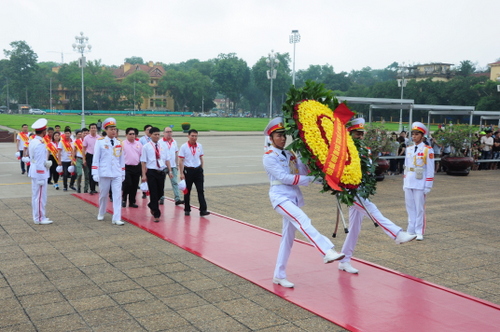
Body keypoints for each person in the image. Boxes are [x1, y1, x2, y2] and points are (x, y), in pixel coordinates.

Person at [263, 117, 344, 288]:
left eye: (284, 135)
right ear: (271, 138)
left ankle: (279, 275)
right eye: (278, 135)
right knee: (303, 220)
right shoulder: (269, 157)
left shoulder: (291, 154)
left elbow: (304, 171)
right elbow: (285, 177)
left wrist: (325, 180)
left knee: (287, 239)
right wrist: (308, 178)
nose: (283, 138)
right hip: (280, 197)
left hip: (292, 198)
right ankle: (327, 251)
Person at [338, 118, 416, 274]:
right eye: (357, 133)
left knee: (354, 228)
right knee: (372, 210)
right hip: (349, 191)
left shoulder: (364, 150)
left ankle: (344, 260)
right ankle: (397, 234)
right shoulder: (343, 149)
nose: (360, 136)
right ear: (349, 133)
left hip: (360, 189)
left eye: (361, 133)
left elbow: (367, 171)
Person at [404, 122, 435, 241]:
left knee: (419, 208)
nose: (414, 137)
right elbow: (406, 166)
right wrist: (404, 182)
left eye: (417, 134)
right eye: (413, 134)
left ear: (422, 136)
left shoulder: (427, 150)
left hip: (420, 181)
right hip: (409, 181)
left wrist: (428, 185)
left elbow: (430, 169)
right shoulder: (409, 149)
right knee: (410, 207)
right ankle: (410, 229)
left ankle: (419, 230)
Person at [92, 118, 125, 226]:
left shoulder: (119, 142)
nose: (113, 131)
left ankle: (117, 218)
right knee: (103, 194)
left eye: (115, 129)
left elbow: (121, 159)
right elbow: (96, 158)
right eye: (111, 129)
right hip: (104, 172)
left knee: (117, 195)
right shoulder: (100, 142)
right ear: (106, 130)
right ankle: (101, 211)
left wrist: (122, 172)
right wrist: (95, 172)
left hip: (116, 172)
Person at [140, 127, 173, 222]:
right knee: (153, 193)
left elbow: (167, 159)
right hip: (151, 172)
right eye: (155, 134)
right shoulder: (146, 147)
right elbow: (143, 162)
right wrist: (144, 175)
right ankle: (156, 213)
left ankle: (151, 205)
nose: (157, 136)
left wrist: (170, 171)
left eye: (158, 134)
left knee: (160, 192)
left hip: (161, 172)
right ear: (150, 135)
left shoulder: (163, 146)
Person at [178, 129, 209, 217]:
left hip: (198, 170)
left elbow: (201, 158)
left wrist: (201, 169)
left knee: (200, 190)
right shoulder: (184, 147)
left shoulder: (199, 146)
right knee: (187, 191)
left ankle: (203, 210)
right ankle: (187, 209)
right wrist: (181, 173)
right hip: (188, 171)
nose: (194, 138)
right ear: (188, 136)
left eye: (196, 136)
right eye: (192, 136)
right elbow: (180, 160)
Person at [28, 119, 53, 225]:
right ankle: (39, 218)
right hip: (39, 173)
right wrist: (41, 176)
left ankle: (40, 216)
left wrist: (45, 162)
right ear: (43, 132)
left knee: (37, 196)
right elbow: (38, 162)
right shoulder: (39, 144)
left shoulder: (33, 141)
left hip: (36, 171)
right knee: (40, 197)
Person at [159, 126, 184, 206]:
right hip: (163, 166)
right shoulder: (160, 142)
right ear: (164, 133)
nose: (169, 133)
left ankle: (177, 199)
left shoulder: (174, 142)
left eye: (170, 132)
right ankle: (161, 197)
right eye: (167, 132)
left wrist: (176, 165)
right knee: (161, 183)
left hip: (173, 165)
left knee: (174, 182)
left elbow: (176, 153)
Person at [122, 128, 142, 208]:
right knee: (128, 184)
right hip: (126, 167)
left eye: (133, 134)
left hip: (136, 167)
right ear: (126, 135)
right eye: (130, 134)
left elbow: (142, 156)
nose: (132, 136)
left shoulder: (139, 144)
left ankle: (132, 201)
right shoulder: (122, 144)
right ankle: (124, 199)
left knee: (134, 185)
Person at [83, 123, 101, 194]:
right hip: (90, 156)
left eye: (94, 128)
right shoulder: (86, 138)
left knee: (98, 172)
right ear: (90, 129)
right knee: (91, 172)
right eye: (92, 128)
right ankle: (92, 189)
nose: (93, 129)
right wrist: (84, 159)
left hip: (98, 157)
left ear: (96, 129)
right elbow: (83, 149)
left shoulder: (99, 138)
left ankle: (99, 187)